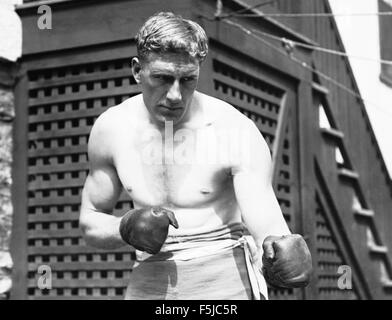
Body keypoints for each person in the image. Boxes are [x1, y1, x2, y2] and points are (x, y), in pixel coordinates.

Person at [79, 11, 312, 300]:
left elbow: (265, 218)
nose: (175, 94)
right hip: (150, 280)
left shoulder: (233, 129)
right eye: (162, 78)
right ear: (138, 70)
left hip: (224, 277)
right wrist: (125, 227)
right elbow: (90, 222)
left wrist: (279, 247)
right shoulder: (111, 129)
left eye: (187, 79)